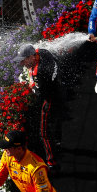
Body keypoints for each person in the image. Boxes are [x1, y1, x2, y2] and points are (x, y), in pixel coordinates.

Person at [14, 43, 63, 172]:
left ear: (31, 57)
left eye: (24, 60)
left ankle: (51, 162)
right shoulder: (43, 52)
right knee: (57, 118)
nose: (23, 64)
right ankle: (58, 140)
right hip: (60, 90)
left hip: (50, 98)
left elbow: (38, 91)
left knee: (43, 132)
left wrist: (29, 84)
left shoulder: (38, 73)